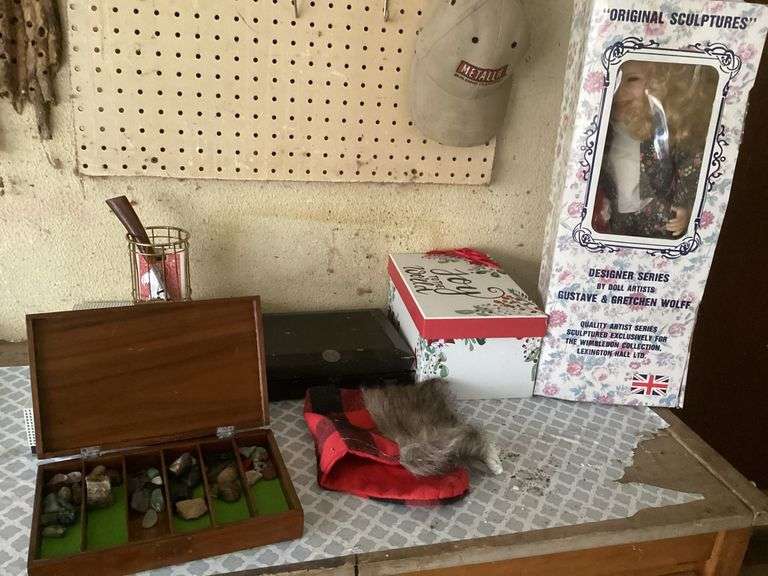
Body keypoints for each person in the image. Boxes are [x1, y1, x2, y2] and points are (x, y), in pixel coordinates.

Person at [592, 60, 718, 239]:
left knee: (660, 242)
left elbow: (690, 162)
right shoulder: (603, 130)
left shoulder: (661, 127)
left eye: (632, 79)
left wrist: (684, 204)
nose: (619, 89)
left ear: (657, 82)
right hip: (616, 212)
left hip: (656, 208)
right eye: (614, 80)